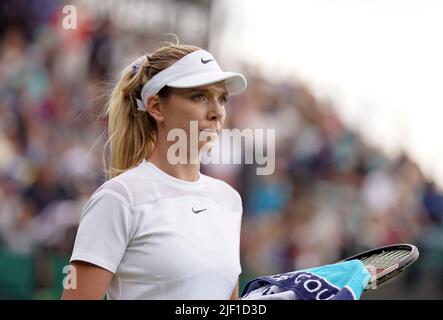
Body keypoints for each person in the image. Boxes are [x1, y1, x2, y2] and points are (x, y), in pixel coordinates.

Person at [61, 43, 248, 300]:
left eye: (222, 98)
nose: (217, 112)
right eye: (200, 97)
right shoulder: (118, 198)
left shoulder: (229, 200)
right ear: (157, 107)